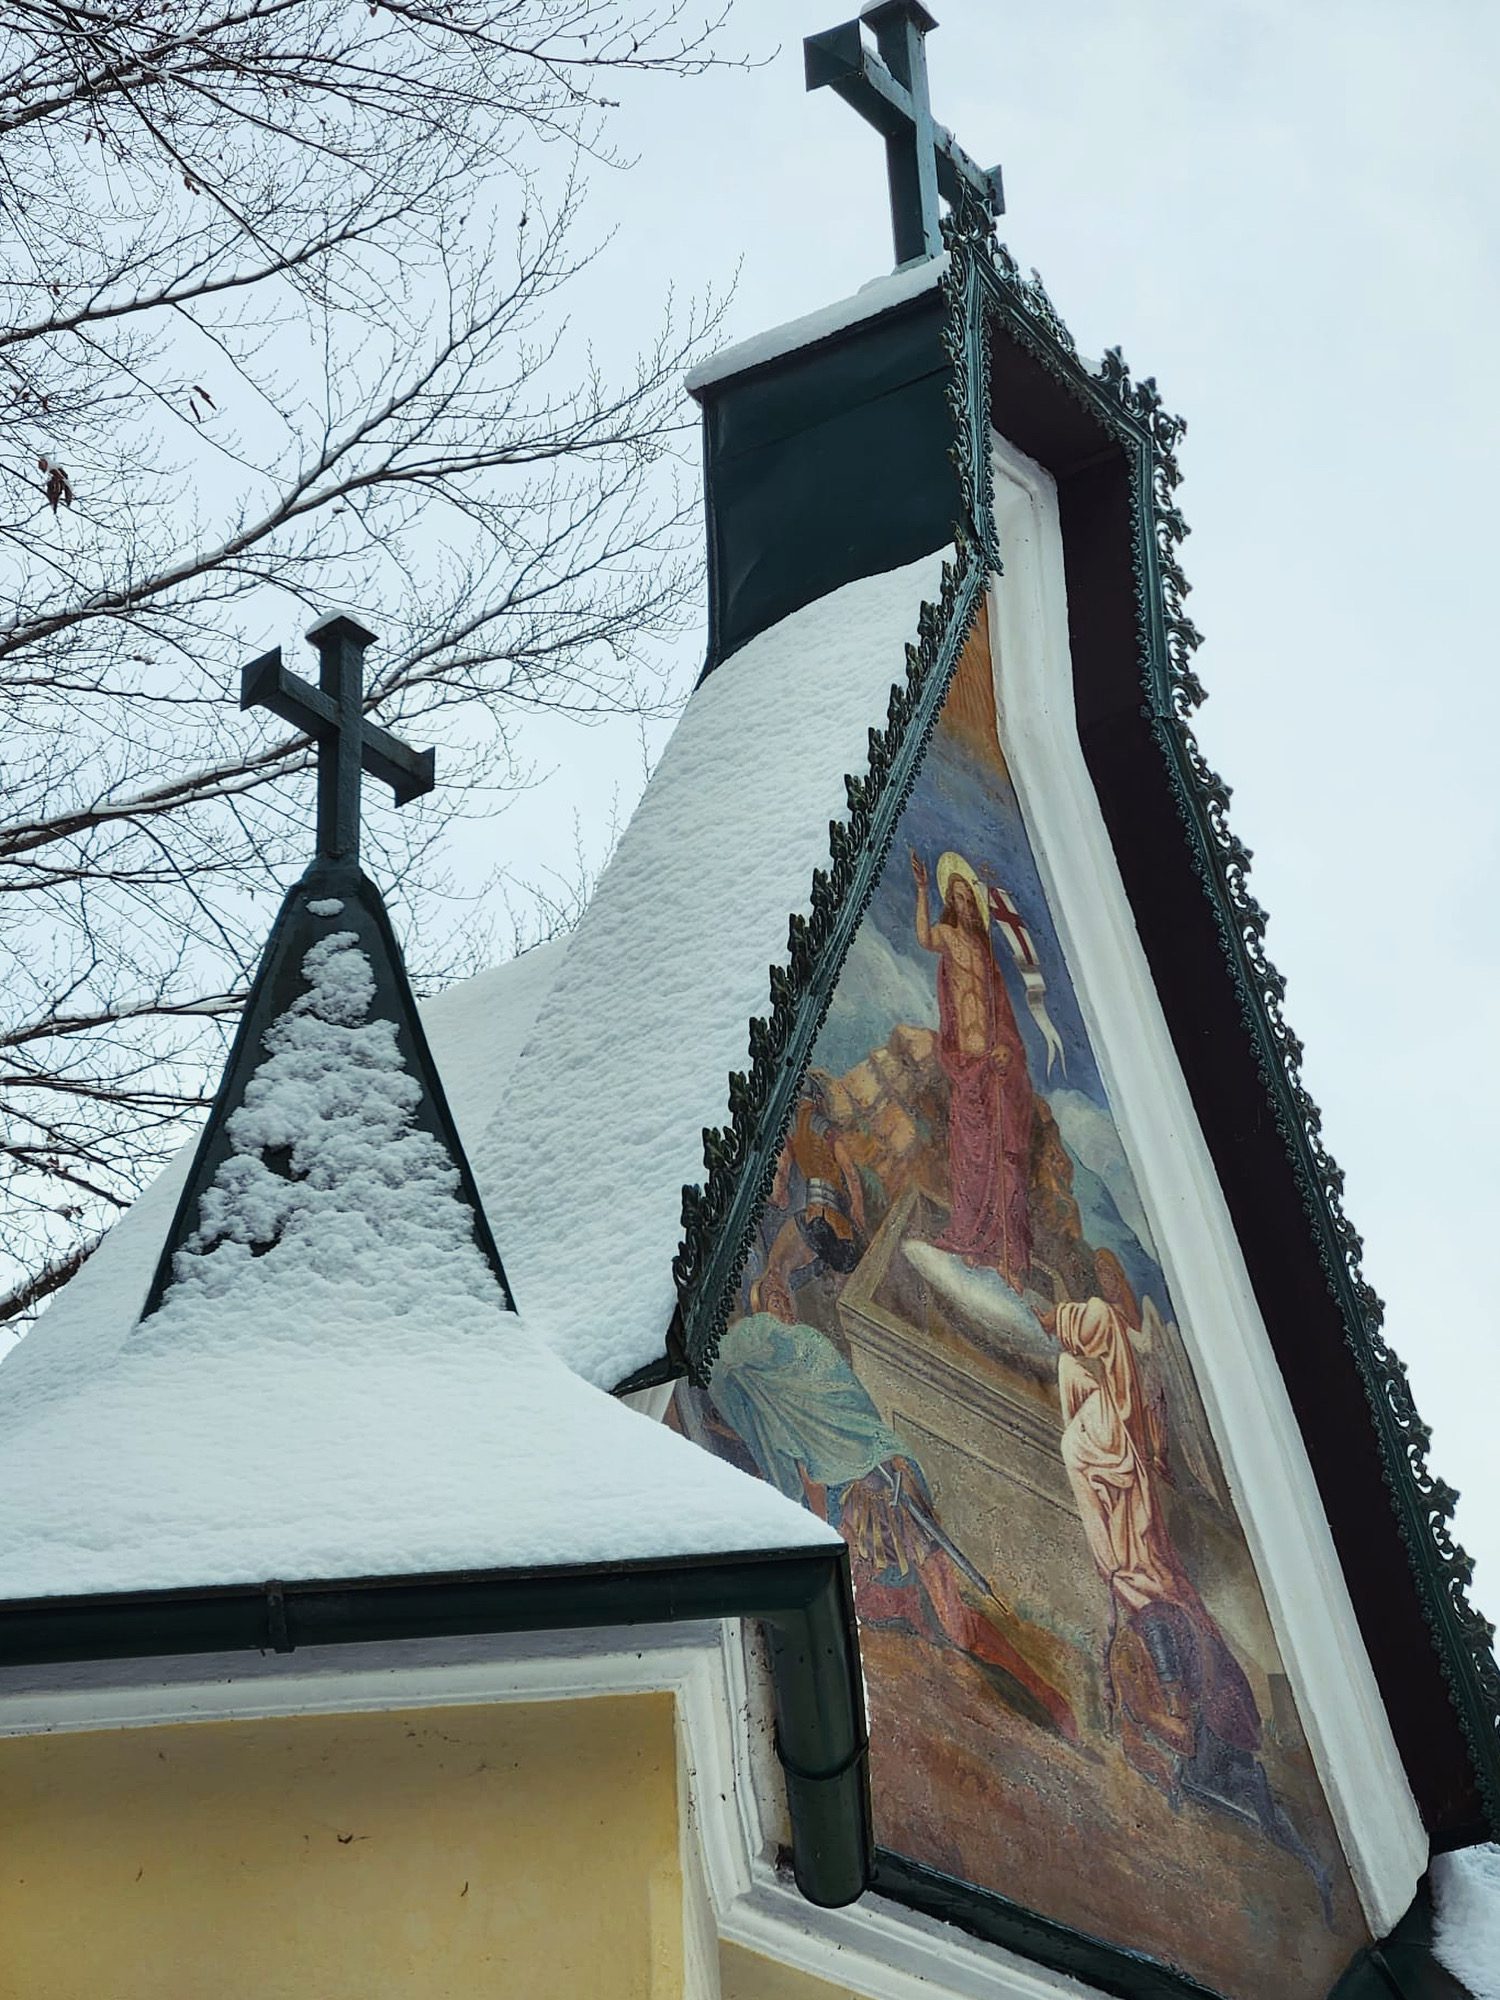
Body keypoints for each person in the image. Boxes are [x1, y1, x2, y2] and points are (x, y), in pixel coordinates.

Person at [1052, 1295, 1333, 1916]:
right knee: (1197, 1657)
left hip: (1138, 1577)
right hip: (1159, 1571)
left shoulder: (1084, 1436)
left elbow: (1102, 1530)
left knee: (1186, 1682)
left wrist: (1114, 1581)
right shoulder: (1125, 1413)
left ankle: (1220, 1768)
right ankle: (1235, 1772)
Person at [712, 1278, 1079, 1745]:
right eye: (770, 1300)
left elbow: (860, 1418)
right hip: (860, 1505)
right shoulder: (777, 1386)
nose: (781, 1306)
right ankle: (1028, 1697)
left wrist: (894, 1462)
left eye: (783, 1298)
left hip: (891, 1489)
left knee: (957, 1625)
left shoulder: (812, 1352)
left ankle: (1048, 1698)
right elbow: (803, 1463)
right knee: (901, 1616)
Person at [910, 847, 1034, 1287]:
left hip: (991, 1064)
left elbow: (1001, 1012)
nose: (963, 904)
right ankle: (969, 1236)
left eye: (968, 898)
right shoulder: (948, 936)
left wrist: (1006, 1049)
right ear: (950, 902)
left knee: (1001, 1156)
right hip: (966, 1065)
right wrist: (922, 890)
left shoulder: (985, 953)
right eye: (957, 897)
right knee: (970, 1155)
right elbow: (924, 938)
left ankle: (1001, 1250)